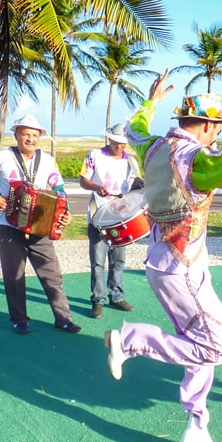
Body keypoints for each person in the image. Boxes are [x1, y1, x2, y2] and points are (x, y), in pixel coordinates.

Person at [103, 70, 222, 442]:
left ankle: (196, 425)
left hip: (163, 265)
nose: (217, 134)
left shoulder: (150, 147)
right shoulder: (197, 159)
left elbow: (135, 127)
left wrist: (151, 101)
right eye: (217, 127)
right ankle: (132, 341)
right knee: (217, 348)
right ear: (206, 124)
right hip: (183, 270)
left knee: (199, 343)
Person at [0, 114, 81, 335]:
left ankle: (63, 318)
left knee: (52, 273)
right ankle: (19, 320)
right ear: (16, 135)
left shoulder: (48, 160)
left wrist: (66, 212)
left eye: (35, 135)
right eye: (26, 134)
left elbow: (59, 190)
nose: (31, 139)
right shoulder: (2, 157)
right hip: (9, 225)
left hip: (40, 227)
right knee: (14, 275)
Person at [79, 123, 143, 318]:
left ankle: (116, 297)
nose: (120, 147)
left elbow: (135, 187)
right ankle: (98, 300)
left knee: (119, 260)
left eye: (123, 144)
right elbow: (83, 180)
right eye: (117, 142)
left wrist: (140, 187)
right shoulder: (94, 156)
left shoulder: (131, 162)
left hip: (121, 219)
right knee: (98, 262)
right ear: (110, 139)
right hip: (98, 216)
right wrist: (96, 187)